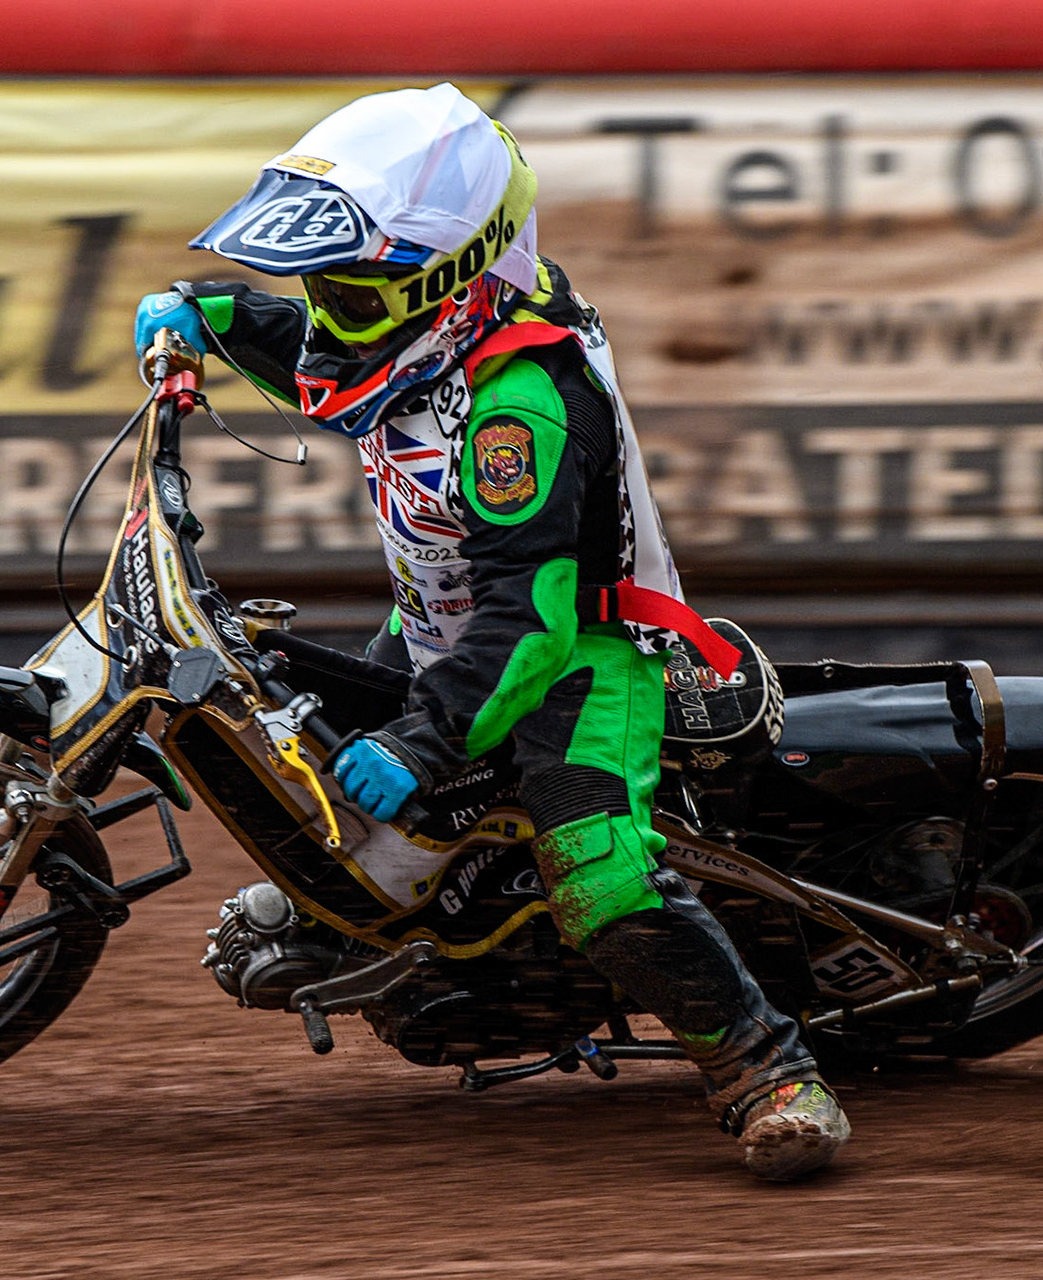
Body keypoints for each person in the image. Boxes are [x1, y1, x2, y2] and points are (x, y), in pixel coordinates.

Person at [134, 83, 848, 1181]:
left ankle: (766, 1067)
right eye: (319, 281)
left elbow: (534, 624)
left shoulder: (521, 406)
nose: (327, 305)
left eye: (351, 284)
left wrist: (422, 739)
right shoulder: (434, 323)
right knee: (310, 771)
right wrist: (213, 314)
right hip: (445, 624)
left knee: (599, 877)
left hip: (577, 651)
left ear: (435, 281)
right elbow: (331, 357)